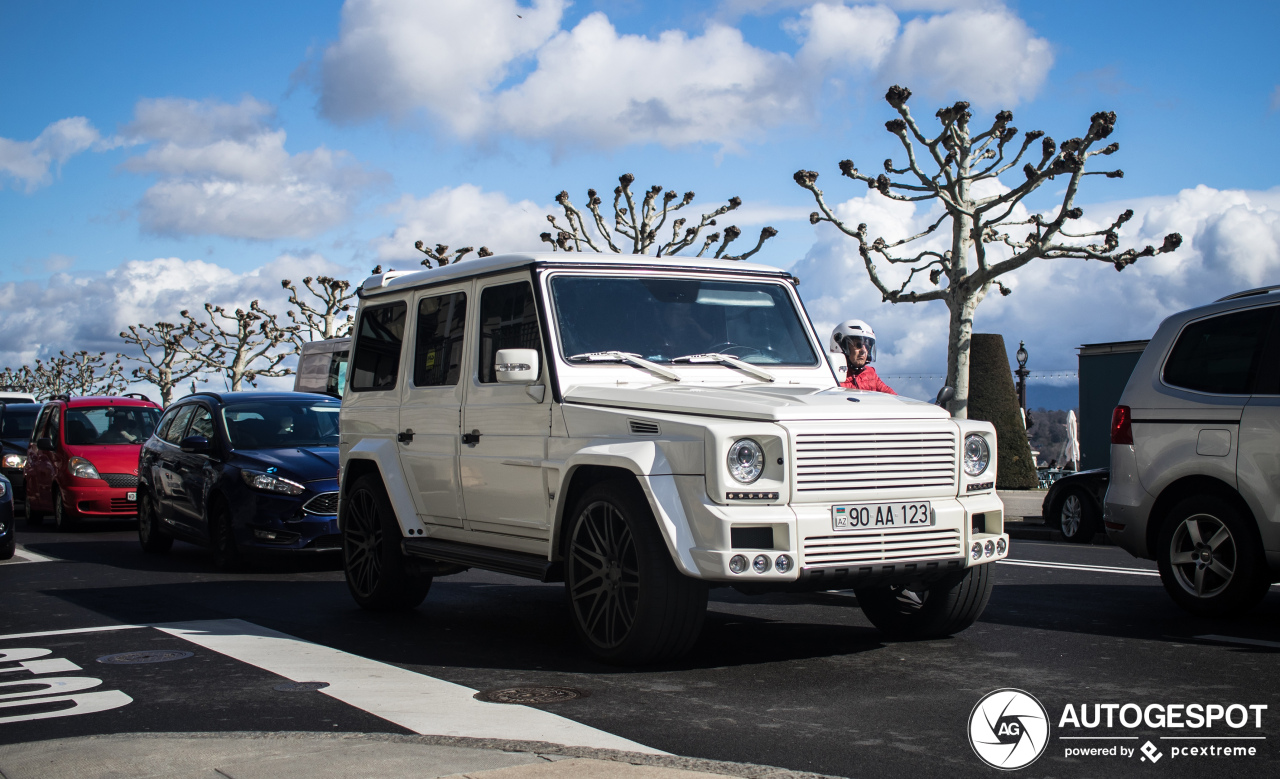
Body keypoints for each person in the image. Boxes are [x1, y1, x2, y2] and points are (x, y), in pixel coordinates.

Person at [830, 319, 896, 394]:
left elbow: (893, 397)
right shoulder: (830, 375)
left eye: (867, 347)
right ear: (840, 346)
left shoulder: (871, 374)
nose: (864, 351)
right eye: (858, 345)